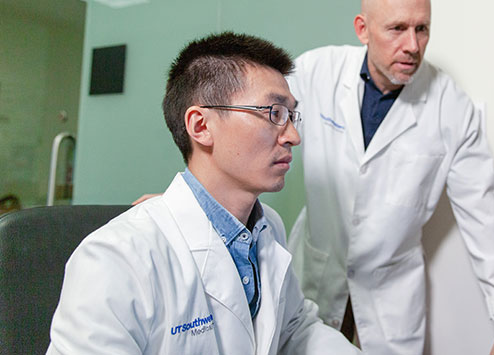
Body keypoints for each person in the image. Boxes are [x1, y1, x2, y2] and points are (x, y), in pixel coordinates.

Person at [285, 0, 494, 354]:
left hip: (389, 301)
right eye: (397, 28)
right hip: (314, 273)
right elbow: (258, 129)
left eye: (422, 28)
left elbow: (484, 207)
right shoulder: (316, 72)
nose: (413, 45)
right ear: (362, 29)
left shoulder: (451, 104)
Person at [47, 32, 359, 354]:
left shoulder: (267, 228)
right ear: (201, 126)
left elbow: (295, 329)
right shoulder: (116, 257)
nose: (293, 135)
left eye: (291, 116)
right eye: (274, 114)